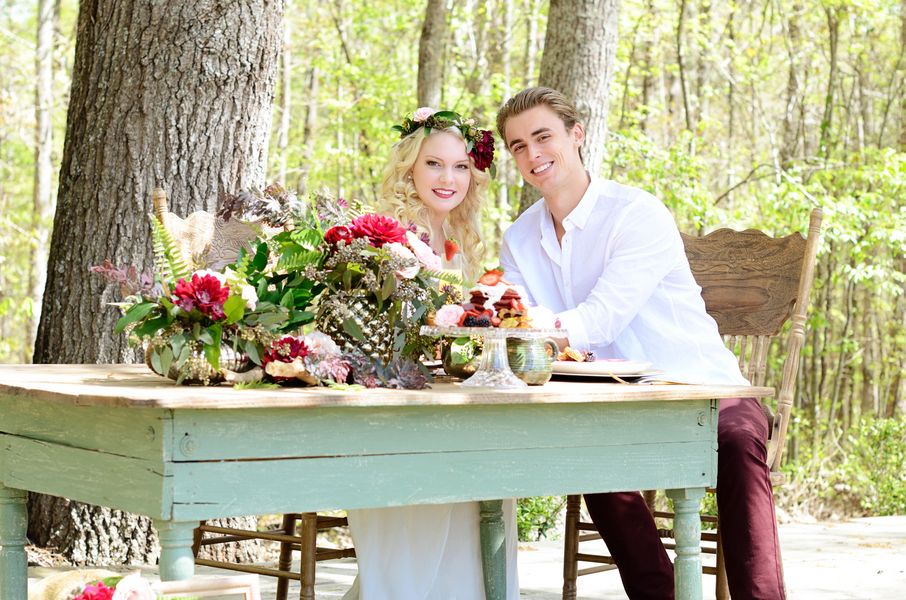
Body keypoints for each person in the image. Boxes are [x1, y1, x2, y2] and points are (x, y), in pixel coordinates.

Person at [495, 86, 786, 600]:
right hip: (609, 401)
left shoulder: (636, 213)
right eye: (518, 145)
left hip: (702, 387)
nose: (533, 154)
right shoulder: (519, 238)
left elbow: (601, 320)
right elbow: (520, 334)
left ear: (576, 135)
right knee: (591, 455)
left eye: (543, 137)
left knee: (739, 443)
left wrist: (532, 325)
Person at [342, 107, 519, 600]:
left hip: (448, 406)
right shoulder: (388, 240)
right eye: (434, 164)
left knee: (494, 476)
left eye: (461, 166)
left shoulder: (457, 242)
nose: (449, 178)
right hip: (394, 416)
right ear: (409, 170)